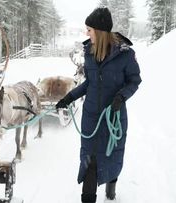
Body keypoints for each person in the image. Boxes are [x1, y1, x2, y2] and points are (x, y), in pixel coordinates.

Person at [56, 7, 142, 203]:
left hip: (114, 117)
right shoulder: (89, 53)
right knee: (89, 162)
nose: (87, 33)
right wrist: (68, 98)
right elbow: (89, 83)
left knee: (112, 156)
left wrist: (121, 97)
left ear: (100, 31)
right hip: (91, 118)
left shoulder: (126, 55)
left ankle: (111, 190)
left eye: (89, 29)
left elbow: (134, 81)